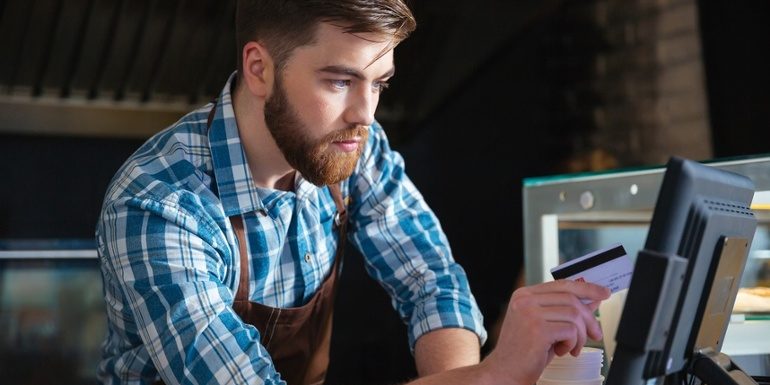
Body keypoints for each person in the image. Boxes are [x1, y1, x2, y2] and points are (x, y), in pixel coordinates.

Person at [95, 1, 610, 384]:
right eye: (340, 81)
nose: (365, 114)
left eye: (379, 83)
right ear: (259, 69)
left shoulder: (352, 143)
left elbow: (430, 281)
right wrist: (493, 375)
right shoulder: (159, 205)